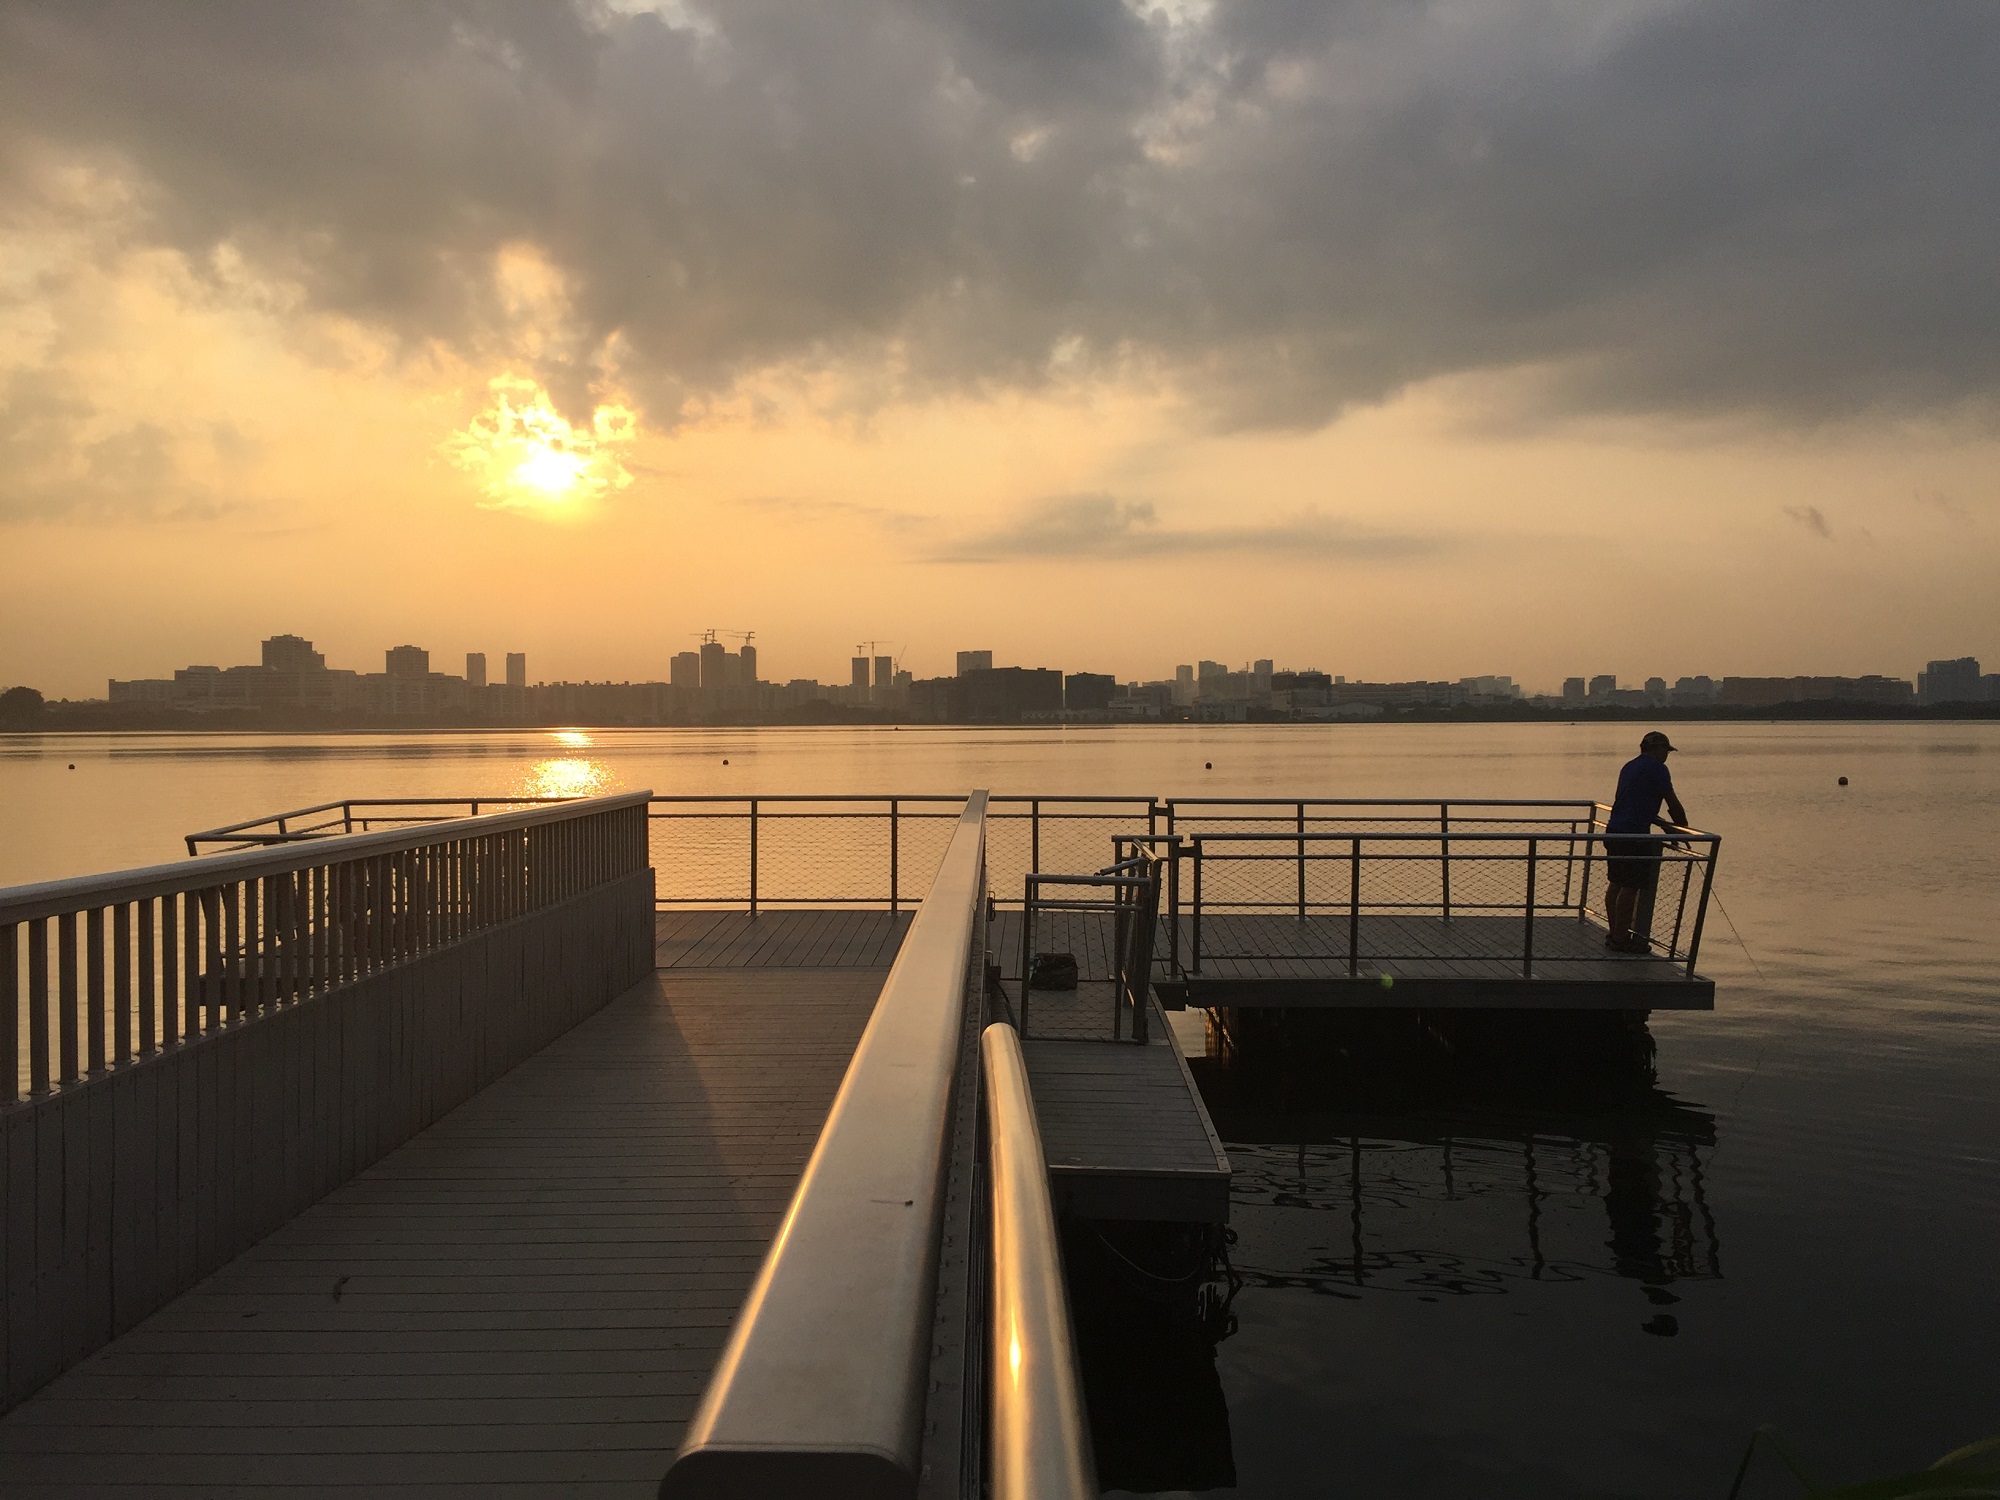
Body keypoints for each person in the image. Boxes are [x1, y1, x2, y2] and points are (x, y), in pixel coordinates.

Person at [1602, 731, 1687, 953]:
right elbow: (1672, 802)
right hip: (1634, 835)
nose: (1666, 756)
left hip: (1614, 830)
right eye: (1665, 751)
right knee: (1630, 887)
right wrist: (1683, 829)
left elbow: (1636, 804)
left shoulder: (1629, 767)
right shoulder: (1658, 770)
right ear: (1657, 749)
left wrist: (1666, 826)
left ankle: (1615, 933)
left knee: (1616, 884)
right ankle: (1622, 940)